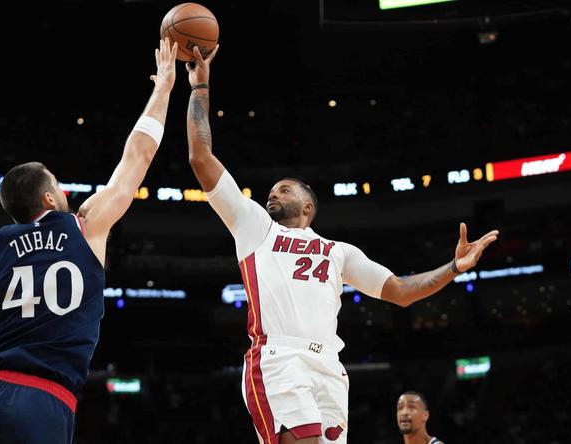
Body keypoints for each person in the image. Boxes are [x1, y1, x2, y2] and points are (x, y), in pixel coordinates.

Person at [185, 45, 499, 444]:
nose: (273, 194)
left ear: (308, 206)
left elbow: (401, 291)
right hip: (280, 358)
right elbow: (200, 157)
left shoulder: (339, 251)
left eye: (284, 189)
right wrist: (200, 87)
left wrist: (453, 268)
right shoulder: (255, 227)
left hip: (330, 367)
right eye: (272, 191)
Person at [0, 38, 178, 444]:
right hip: (43, 398)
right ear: (50, 198)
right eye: (56, 182)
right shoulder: (86, 227)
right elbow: (137, 158)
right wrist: (164, 88)